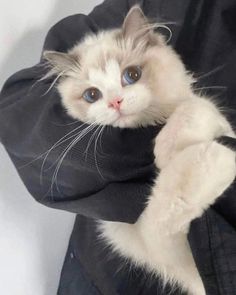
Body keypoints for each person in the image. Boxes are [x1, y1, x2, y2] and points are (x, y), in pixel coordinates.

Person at [1, 0, 236, 294]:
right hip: (106, 279)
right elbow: (18, 112)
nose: (114, 101)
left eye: (130, 76)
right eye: (92, 94)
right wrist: (155, 143)